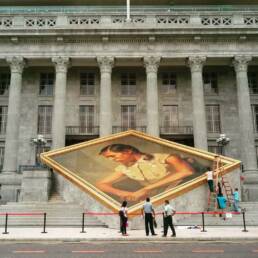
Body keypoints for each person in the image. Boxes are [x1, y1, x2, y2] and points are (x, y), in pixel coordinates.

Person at [97, 144, 200, 201]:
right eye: (108, 158)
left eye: (113, 156)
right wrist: (125, 193)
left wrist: (145, 189)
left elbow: (187, 172)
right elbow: (101, 184)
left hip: (178, 191)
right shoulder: (123, 168)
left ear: (128, 151)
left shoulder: (164, 158)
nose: (111, 160)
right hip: (152, 198)